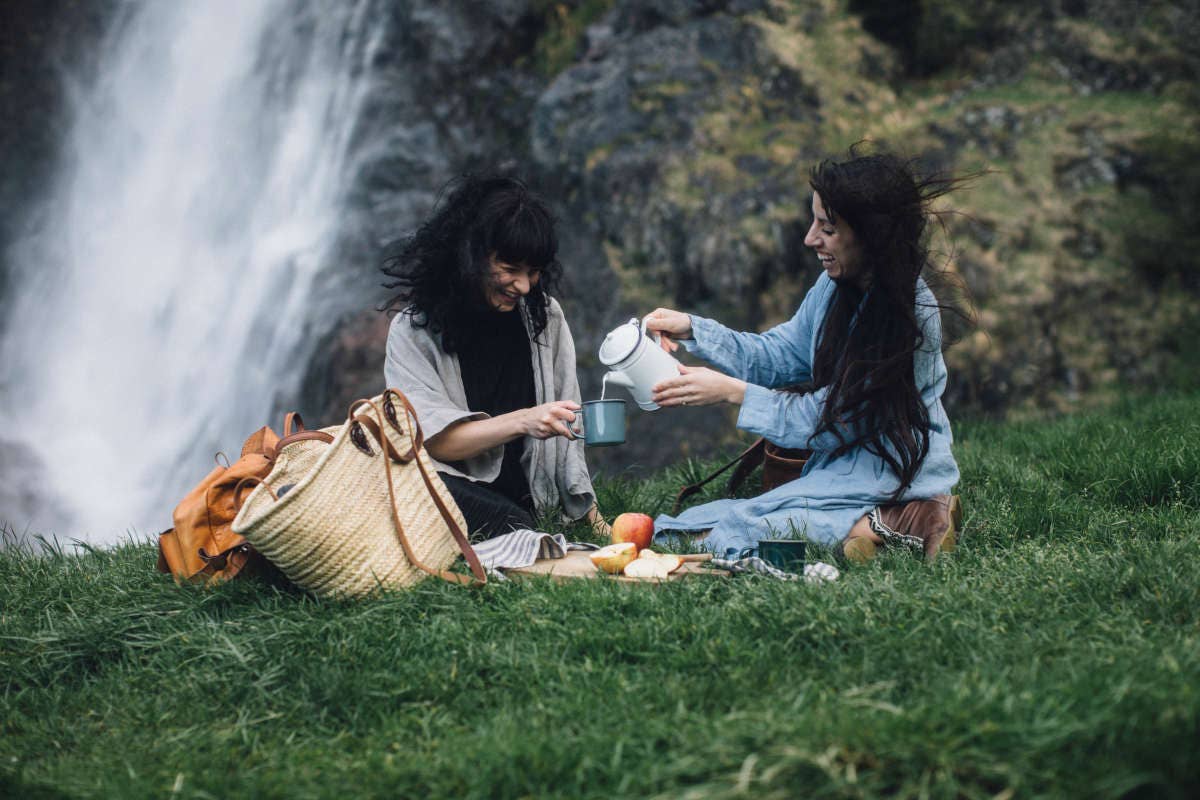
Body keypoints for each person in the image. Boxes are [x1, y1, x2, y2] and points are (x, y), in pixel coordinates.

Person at [646, 149, 969, 562]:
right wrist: (695, 328)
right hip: (844, 468)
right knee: (686, 528)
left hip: (893, 470)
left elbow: (830, 422)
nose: (810, 238)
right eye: (814, 221)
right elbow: (779, 355)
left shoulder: (911, 316)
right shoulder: (833, 288)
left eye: (828, 228)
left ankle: (896, 518)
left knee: (737, 532)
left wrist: (732, 393)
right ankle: (875, 527)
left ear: (871, 235)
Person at [381, 174, 607, 539]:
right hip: (451, 484)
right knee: (415, 482)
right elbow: (433, 441)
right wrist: (524, 420)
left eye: (533, 272)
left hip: (529, 499)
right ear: (469, 255)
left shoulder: (544, 317)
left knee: (515, 522)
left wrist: (595, 521)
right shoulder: (414, 331)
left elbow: (569, 428)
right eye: (510, 269)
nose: (524, 286)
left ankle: (519, 529)